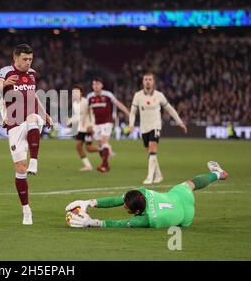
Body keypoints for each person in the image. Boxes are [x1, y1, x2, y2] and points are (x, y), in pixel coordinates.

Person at [65, 161, 229, 228]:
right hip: (179, 197)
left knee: (187, 189)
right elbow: (117, 199)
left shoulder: (147, 219)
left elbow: (121, 224)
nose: (123, 205)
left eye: (126, 207)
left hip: (186, 218)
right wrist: (90, 202)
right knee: (191, 184)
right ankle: (217, 174)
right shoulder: (142, 193)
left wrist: (93, 222)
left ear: (137, 212)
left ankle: (217, 174)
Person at [0, 44, 53, 225]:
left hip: (31, 119)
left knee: (33, 118)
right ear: (16, 58)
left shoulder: (32, 73)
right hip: (14, 123)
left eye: (30, 59)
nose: (28, 63)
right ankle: (26, 210)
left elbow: (33, 95)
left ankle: (34, 161)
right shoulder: (4, 72)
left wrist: (45, 114)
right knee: (20, 168)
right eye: (25, 59)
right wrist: (4, 85)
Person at [129, 72, 187, 184]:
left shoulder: (159, 95)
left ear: (153, 81)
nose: (148, 81)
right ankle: (159, 175)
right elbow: (132, 112)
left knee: (152, 148)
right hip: (144, 127)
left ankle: (149, 177)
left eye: (150, 79)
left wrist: (180, 122)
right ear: (143, 81)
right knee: (150, 152)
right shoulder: (138, 95)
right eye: (145, 79)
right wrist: (131, 124)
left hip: (155, 126)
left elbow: (170, 109)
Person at [86, 77, 130, 173]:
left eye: (97, 84)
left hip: (107, 122)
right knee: (101, 144)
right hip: (96, 124)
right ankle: (106, 164)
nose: (96, 86)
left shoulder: (108, 95)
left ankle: (104, 165)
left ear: (101, 85)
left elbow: (118, 104)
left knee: (104, 141)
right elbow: (87, 110)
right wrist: (86, 122)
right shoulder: (90, 97)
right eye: (94, 84)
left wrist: (127, 113)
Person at [66, 85, 96, 171]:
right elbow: (77, 115)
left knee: (89, 148)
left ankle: (104, 150)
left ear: (81, 93)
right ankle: (88, 166)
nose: (75, 94)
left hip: (88, 128)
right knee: (78, 147)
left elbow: (92, 114)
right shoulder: (75, 104)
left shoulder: (86, 102)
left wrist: (92, 125)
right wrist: (70, 121)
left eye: (76, 92)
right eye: (73, 92)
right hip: (81, 129)